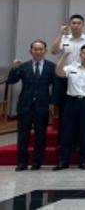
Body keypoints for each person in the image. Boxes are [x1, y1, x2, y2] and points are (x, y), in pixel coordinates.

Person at [8, 40, 56, 170]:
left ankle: (37, 162)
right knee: (23, 135)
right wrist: (14, 68)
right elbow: (11, 81)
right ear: (31, 51)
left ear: (45, 51)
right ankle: (22, 162)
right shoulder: (23, 66)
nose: (38, 52)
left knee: (40, 135)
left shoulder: (52, 67)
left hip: (42, 105)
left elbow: (56, 86)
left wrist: (53, 102)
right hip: (25, 105)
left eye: (41, 49)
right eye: (35, 49)